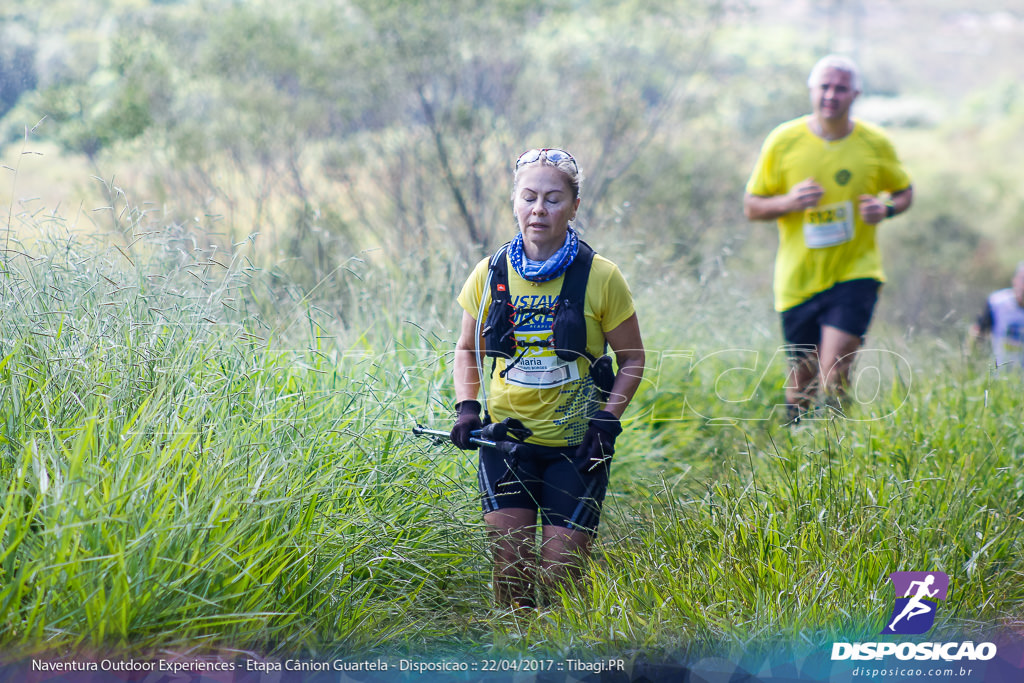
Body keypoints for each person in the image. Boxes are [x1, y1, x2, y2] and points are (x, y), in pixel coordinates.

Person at [450, 148, 645, 610]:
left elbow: (634, 359)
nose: (539, 209)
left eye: (553, 199)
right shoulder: (489, 273)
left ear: (574, 206)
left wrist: (606, 422)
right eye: (529, 197)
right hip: (505, 443)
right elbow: (466, 349)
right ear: (515, 202)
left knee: (562, 577)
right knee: (511, 571)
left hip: (577, 448)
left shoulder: (601, 276)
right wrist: (467, 408)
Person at [743, 54, 913, 420]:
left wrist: (886, 209)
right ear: (811, 90)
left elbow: (904, 191)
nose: (831, 95)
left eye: (841, 88)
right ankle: (798, 456)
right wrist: (789, 201)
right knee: (801, 385)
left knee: (835, 372)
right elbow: (752, 206)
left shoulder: (875, 143)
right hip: (798, 280)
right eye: (825, 87)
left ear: (856, 94)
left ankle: (836, 452)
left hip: (856, 273)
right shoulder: (784, 141)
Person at [969, 262, 1024, 371]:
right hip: (999, 374)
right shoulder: (997, 303)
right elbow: (978, 332)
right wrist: (973, 361)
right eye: (1022, 279)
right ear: (1014, 281)